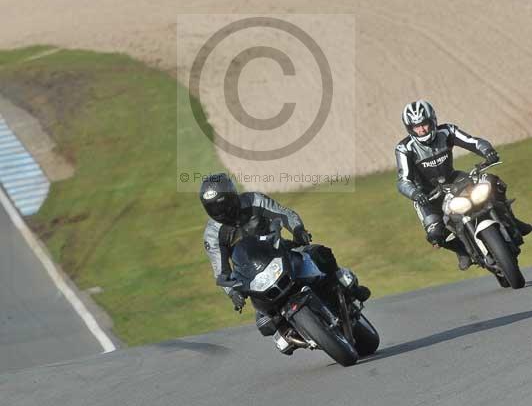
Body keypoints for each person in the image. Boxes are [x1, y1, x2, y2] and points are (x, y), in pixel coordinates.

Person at [200, 172, 370, 354]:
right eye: (214, 209)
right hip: (254, 277)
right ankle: (292, 335)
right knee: (264, 323)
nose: (222, 211)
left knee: (320, 254)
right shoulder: (212, 235)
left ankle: (348, 287)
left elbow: (285, 214)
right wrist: (232, 292)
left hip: (281, 252)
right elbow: (221, 270)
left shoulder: (254, 200)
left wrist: (298, 230)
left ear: (233, 196)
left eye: (224, 204)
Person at [395, 100, 531, 270]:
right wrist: (415, 194)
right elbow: (403, 180)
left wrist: (487, 151)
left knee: (490, 181)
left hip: (454, 178)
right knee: (435, 234)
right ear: (410, 128)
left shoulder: (447, 131)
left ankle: (513, 221)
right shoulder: (404, 148)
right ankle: (462, 251)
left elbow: (473, 141)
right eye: (417, 127)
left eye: (425, 124)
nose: (422, 129)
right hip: (427, 195)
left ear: (433, 121)